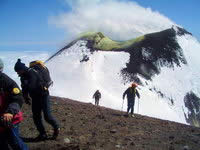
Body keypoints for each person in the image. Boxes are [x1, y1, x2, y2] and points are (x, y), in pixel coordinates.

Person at [14, 59, 60, 141]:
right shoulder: (23, 76)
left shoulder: (32, 73)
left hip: (44, 96)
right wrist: (26, 97)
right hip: (35, 97)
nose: (17, 73)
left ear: (22, 69)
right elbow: (25, 89)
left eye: (18, 71)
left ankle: (57, 127)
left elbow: (32, 86)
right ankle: (43, 134)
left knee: (47, 116)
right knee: (36, 117)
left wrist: (26, 86)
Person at [0, 58, 28, 150]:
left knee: (15, 142)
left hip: (10, 119)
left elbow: (17, 97)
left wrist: (10, 112)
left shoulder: (6, 81)